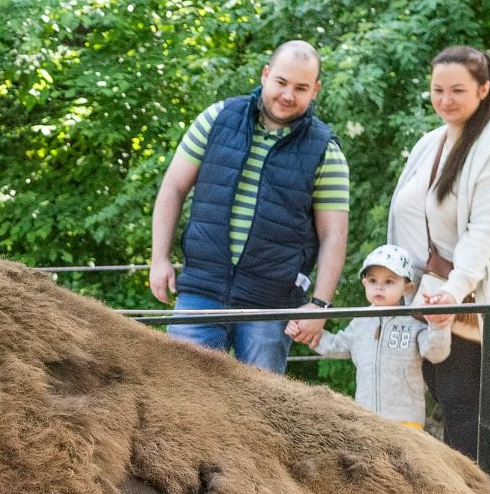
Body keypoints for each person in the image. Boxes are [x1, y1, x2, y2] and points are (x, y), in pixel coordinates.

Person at [149, 41, 351, 374]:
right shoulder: (217, 118)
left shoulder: (325, 150)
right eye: (282, 83)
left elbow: (334, 235)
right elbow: (173, 188)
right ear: (266, 74)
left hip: (271, 306)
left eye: (301, 88)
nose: (288, 95)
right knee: (180, 403)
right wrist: (159, 259)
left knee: (263, 414)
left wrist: (319, 306)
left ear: (314, 90)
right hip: (201, 290)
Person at [387, 45, 490, 461]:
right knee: (445, 413)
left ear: (484, 89)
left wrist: (454, 292)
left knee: (466, 419)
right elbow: (404, 216)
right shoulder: (430, 143)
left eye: (457, 90)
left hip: (470, 302)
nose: (445, 100)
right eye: (438, 90)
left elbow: (483, 230)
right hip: (425, 297)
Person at [290, 244, 451, 428]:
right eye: (373, 281)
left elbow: (437, 353)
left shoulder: (414, 323)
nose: (379, 288)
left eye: (389, 282)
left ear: (407, 288)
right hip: (366, 419)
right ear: (364, 283)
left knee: (403, 458)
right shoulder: (360, 322)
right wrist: (306, 333)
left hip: (406, 420)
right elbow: (336, 346)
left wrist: (438, 325)